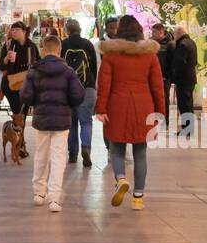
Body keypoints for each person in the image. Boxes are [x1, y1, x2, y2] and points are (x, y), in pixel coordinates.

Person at [96, 15, 165, 210]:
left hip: (117, 105)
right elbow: (158, 86)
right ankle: (138, 198)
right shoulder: (150, 55)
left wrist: (101, 108)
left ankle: (121, 179)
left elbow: (104, 84)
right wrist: (160, 112)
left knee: (116, 148)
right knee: (140, 152)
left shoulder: (111, 56)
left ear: (119, 32)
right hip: (144, 106)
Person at [22, 34, 84, 212]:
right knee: (58, 158)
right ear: (59, 50)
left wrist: (36, 102)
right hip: (62, 119)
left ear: (43, 49)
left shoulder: (34, 70)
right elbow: (78, 95)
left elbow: (25, 95)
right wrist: (68, 105)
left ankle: (38, 193)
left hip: (42, 118)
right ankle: (54, 198)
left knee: (41, 154)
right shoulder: (68, 72)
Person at [61, 19, 99, 168]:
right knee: (86, 121)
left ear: (67, 30)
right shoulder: (88, 44)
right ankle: (86, 149)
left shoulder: (63, 44)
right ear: (80, 29)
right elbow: (94, 67)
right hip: (87, 88)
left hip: (68, 89)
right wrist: (91, 85)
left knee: (72, 123)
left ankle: (72, 154)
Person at [0, 21, 39, 128]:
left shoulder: (31, 46)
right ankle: (17, 136)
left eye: (17, 30)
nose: (14, 32)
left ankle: (19, 138)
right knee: (17, 111)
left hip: (26, 84)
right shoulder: (9, 45)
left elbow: (37, 64)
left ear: (24, 32)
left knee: (23, 113)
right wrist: (7, 58)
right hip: (11, 84)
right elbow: (1, 66)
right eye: (12, 30)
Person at [171, 25, 199, 131]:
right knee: (188, 104)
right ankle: (189, 128)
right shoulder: (191, 42)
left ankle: (187, 129)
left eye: (174, 33)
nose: (173, 36)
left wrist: (174, 77)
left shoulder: (182, 44)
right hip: (190, 78)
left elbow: (179, 63)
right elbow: (195, 61)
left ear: (179, 33)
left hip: (183, 79)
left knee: (184, 105)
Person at [151, 22, 175, 120]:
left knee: (164, 99)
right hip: (154, 76)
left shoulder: (170, 45)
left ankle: (165, 121)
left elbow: (173, 62)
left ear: (161, 32)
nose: (152, 34)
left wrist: (168, 76)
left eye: (154, 32)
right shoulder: (152, 43)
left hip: (165, 77)